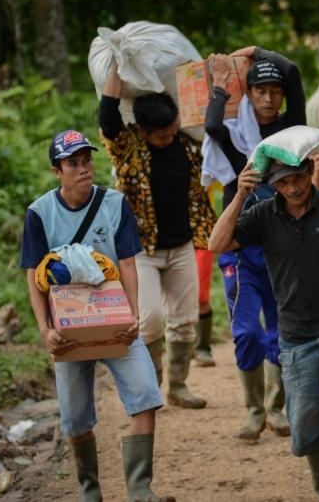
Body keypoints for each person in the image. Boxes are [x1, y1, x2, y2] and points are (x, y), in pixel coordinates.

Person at [209, 157, 319, 502]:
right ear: (272, 184)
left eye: (297, 178)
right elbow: (217, 244)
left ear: (309, 172)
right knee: (309, 424)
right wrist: (239, 196)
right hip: (295, 338)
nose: (292, 188)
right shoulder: (262, 214)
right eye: (282, 183)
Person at [20, 130, 172, 502]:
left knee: (146, 396)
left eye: (86, 160)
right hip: (68, 326)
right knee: (75, 419)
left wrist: (132, 315)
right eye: (73, 163)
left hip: (113, 318)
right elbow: (33, 276)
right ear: (57, 171)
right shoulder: (39, 213)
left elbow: (127, 262)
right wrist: (45, 329)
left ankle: (140, 490)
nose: (83, 168)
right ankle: (91, 492)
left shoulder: (115, 204)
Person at [203, 46, 306, 439]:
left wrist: (255, 53)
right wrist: (218, 84)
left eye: (274, 91)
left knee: (281, 329)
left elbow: (293, 70)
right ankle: (252, 409)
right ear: (247, 94)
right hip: (241, 249)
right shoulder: (237, 140)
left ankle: (276, 407)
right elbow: (213, 126)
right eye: (259, 90)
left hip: (283, 248)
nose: (267, 98)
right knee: (247, 332)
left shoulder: (292, 133)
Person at [99, 64, 215, 409]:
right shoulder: (128, 149)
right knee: (148, 321)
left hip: (181, 246)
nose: (168, 136)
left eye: (171, 130)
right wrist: (117, 68)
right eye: (160, 134)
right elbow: (107, 117)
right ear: (143, 131)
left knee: (185, 322)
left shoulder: (186, 144)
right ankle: (152, 389)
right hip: (142, 250)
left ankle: (178, 387)